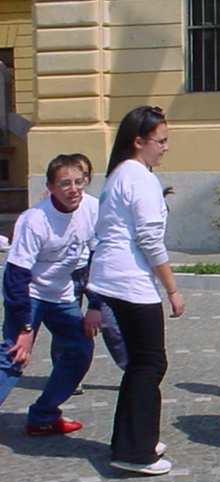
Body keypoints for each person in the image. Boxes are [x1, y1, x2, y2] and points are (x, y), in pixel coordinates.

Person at [88, 106, 184, 476]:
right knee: (149, 363)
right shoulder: (138, 178)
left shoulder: (121, 174)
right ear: (138, 142)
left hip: (114, 277)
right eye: (160, 141)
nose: (165, 147)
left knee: (141, 364)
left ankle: (131, 438)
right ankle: (135, 450)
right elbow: (147, 237)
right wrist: (172, 288)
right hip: (129, 281)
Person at [0, 155, 96, 437]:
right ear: (51, 188)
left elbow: (100, 258)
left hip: (62, 295)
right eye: (65, 183)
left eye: (79, 182)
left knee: (79, 351)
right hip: (29, 295)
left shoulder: (92, 209)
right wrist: (25, 328)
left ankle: (43, 416)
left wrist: (96, 305)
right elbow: (15, 276)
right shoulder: (35, 220)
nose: (73, 189)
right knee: (14, 356)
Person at [67, 153, 127, 375]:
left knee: (110, 324)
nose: (76, 183)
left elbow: (98, 249)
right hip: (65, 276)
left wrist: (94, 302)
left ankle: (132, 370)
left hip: (92, 270)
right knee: (69, 328)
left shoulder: (95, 206)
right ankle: (69, 374)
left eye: (82, 175)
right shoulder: (47, 209)